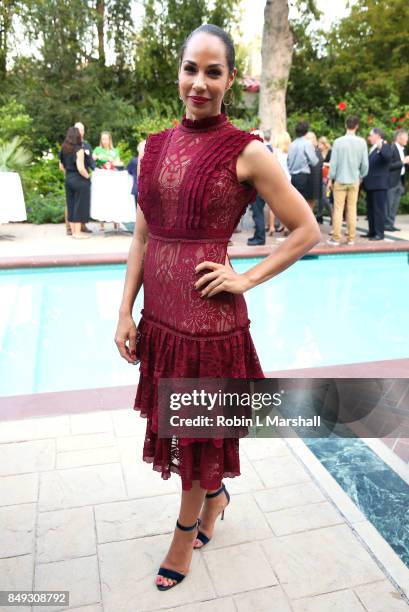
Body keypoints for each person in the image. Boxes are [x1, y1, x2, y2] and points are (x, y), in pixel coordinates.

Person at [114, 23, 320, 591]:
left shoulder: (246, 150)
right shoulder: (153, 147)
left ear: (231, 80)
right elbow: (141, 239)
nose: (199, 83)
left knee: (199, 430)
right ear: (178, 73)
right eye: (191, 69)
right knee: (180, 425)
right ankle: (216, 497)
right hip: (161, 319)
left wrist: (246, 277)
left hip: (208, 323)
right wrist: (125, 310)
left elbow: (305, 229)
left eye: (213, 71)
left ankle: (184, 534)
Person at [327, 115, 369, 246]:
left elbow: (333, 164)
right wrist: (361, 175)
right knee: (352, 209)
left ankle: (336, 237)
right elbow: (365, 165)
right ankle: (351, 238)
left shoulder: (338, 142)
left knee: (338, 209)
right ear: (357, 126)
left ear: (346, 125)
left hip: (340, 179)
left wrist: (330, 179)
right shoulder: (362, 142)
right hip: (354, 179)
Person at [58, 121, 94, 235]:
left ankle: (74, 232)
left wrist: (69, 173)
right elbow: (81, 167)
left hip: (69, 178)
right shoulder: (79, 149)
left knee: (71, 204)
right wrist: (87, 176)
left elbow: (61, 165)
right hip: (79, 179)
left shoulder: (64, 147)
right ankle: (77, 233)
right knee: (79, 205)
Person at [362, 128, 392, 241]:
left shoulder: (385, 146)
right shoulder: (372, 149)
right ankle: (372, 231)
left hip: (379, 184)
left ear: (377, 135)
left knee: (379, 210)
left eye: (370, 135)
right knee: (370, 209)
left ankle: (380, 233)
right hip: (370, 184)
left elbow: (387, 157)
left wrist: (381, 146)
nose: (369, 138)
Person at [247, 129, 273, 246]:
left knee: (258, 213)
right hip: (262, 187)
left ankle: (260, 237)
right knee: (258, 213)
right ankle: (258, 235)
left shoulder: (258, 153)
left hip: (258, 187)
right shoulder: (267, 150)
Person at [93, 131, 122, 231]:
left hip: (112, 177)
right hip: (101, 177)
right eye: (103, 139)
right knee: (102, 198)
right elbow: (93, 158)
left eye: (106, 139)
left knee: (113, 198)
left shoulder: (115, 150)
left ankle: (116, 222)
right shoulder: (97, 149)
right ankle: (101, 223)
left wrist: (112, 160)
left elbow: (118, 162)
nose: (104, 141)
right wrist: (98, 157)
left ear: (110, 140)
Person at [287, 120, 319, 210]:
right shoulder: (307, 144)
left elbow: (288, 161)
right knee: (303, 202)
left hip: (293, 176)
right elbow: (314, 161)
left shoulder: (292, 144)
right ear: (306, 131)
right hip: (304, 176)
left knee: (294, 200)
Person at [386, 128, 409, 231]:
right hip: (391, 181)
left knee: (395, 204)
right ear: (399, 138)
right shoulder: (391, 148)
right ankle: (386, 225)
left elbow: (403, 165)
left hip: (400, 180)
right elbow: (388, 166)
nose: (407, 140)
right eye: (406, 138)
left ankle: (391, 224)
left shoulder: (404, 150)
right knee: (389, 204)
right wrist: (403, 161)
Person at [270, 131, 291, 238]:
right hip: (289, 180)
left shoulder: (275, 151)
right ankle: (286, 226)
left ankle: (272, 226)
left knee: (273, 204)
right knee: (287, 205)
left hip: (277, 179)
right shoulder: (290, 151)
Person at [306, 131, 324, 218]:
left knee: (311, 205)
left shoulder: (317, 152)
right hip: (307, 182)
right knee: (306, 205)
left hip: (315, 182)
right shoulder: (306, 151)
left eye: (310, 138)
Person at [316, 136, 333, 224]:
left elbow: (332, 163)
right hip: (318, 176)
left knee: (324, 198)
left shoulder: (330, 152)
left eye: (320, 144)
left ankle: (332, 215)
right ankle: (319, 216)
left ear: (324, 144)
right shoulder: (317, 152)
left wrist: (324, 164)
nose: (319, 146)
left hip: (326, 177)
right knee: (319, 198)